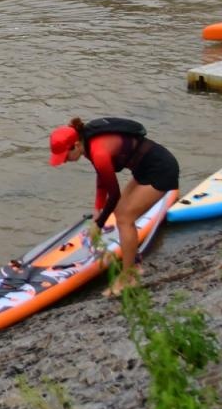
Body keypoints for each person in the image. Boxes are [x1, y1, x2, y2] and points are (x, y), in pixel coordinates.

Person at [48, 117, 180, 295]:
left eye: (65, 156)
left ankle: (129, 277)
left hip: (162, 170)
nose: (63, 161)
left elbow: (114, 193)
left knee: (125, 218)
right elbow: (102, 177)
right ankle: (135, 264)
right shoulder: (88, 142)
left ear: (77, 145)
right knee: (119, 212)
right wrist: (98, 207)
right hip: (144, 169)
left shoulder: (98, 152)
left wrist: (99, 224)